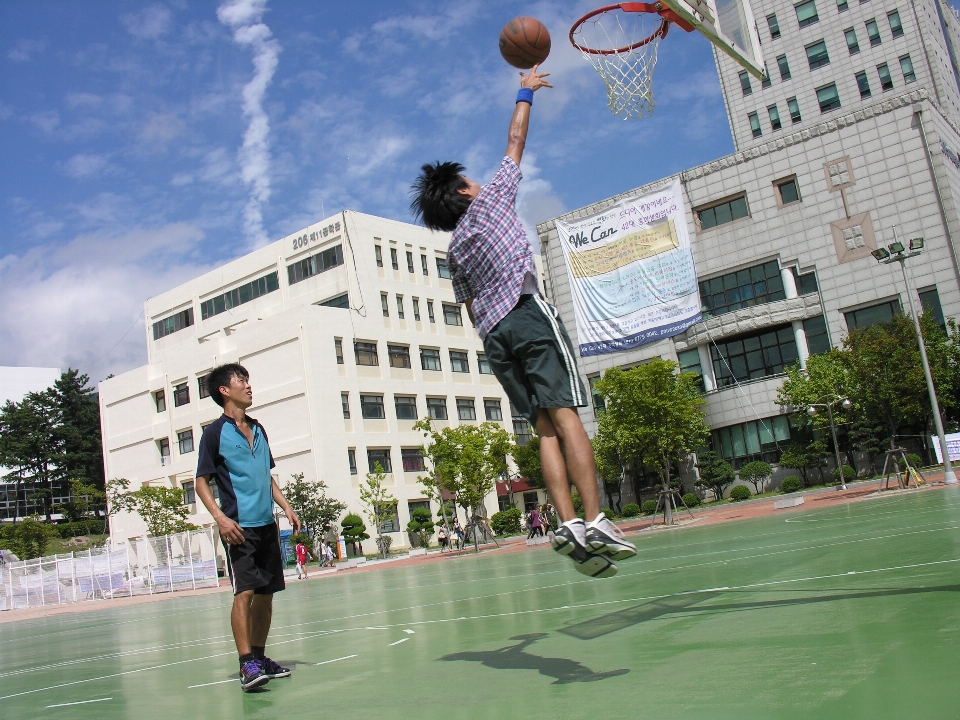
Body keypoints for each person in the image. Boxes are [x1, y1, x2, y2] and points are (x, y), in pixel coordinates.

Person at [410, 65, 635, 579]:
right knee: (568, 414)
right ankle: (597, 519)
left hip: (494, 336)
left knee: (541, 427)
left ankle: (568, 524)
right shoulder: (489, 203)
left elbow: (468, 306)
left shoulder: (455, 249)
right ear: (465, 193)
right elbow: (516, 138)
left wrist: (495, 330)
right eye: (471, 180)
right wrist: (525, 90)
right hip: (527, 314)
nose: (479, 181)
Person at [195, 363, 301, 692]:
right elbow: (201, 482)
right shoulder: (214, 434)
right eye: (241, 380)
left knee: (267, 595)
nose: (248, 385)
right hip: (239, 528)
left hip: (267, 525)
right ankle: (246, 665)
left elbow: (265, 476)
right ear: (224, 390)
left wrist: (285, 506)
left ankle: (260, 656)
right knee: (245, 593)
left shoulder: (258, 428)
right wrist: (221, 518)